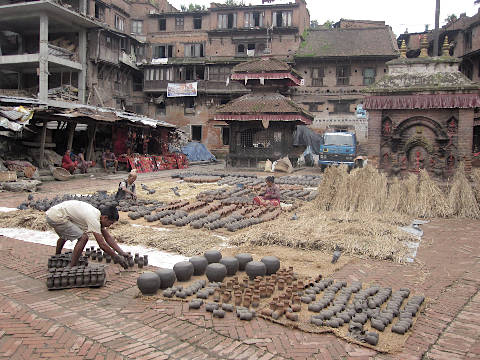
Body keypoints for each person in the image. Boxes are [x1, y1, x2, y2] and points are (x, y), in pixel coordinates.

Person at [46, 200, 129, 268]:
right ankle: (71, 266)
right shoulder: (93, 219)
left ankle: (57, 255)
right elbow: (102, 244)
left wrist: (121, 252)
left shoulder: (97, 214)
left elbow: (107, 237)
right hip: (56, 217)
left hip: (55, 214)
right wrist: (116, 257)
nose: (109, 226)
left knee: (66, 234)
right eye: (110, 223)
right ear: (105, 217)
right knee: (83, 238)